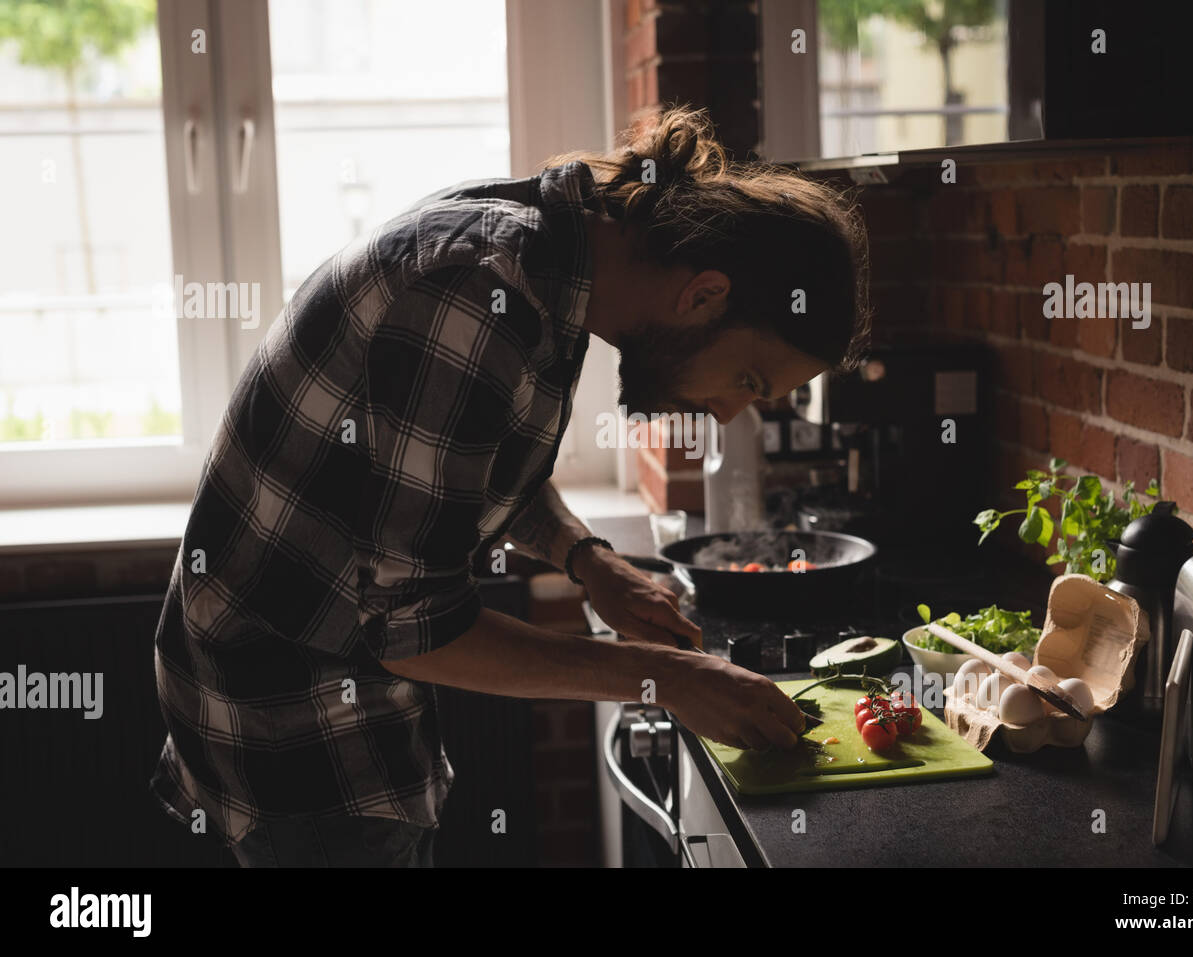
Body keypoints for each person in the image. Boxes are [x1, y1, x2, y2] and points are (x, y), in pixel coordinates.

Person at [150, 106, 871, 866]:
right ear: (703, 295)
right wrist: (665, 676)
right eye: (747, 380)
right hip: (287, 716)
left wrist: (591, 562)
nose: (727, 414)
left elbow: (471, 469)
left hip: (332, 686)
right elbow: (410, 624)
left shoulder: (547, 263)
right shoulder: (478, 291)